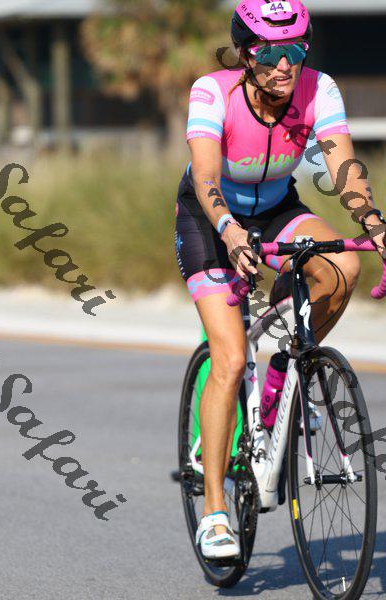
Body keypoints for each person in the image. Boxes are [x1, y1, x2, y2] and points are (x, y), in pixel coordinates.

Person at [175, 0, 386, 559]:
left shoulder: (320, 89)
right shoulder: (212, 91)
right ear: (246, 55)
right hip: (209, 217)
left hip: (275, 209)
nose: (284, 65)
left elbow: (344, 169)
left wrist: (373, 223)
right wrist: (229, 231)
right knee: (228, 359)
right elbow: (206, 176)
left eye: (295, 50)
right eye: (270, 54)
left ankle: (284, 369)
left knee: (342, 267)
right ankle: (215, 512)